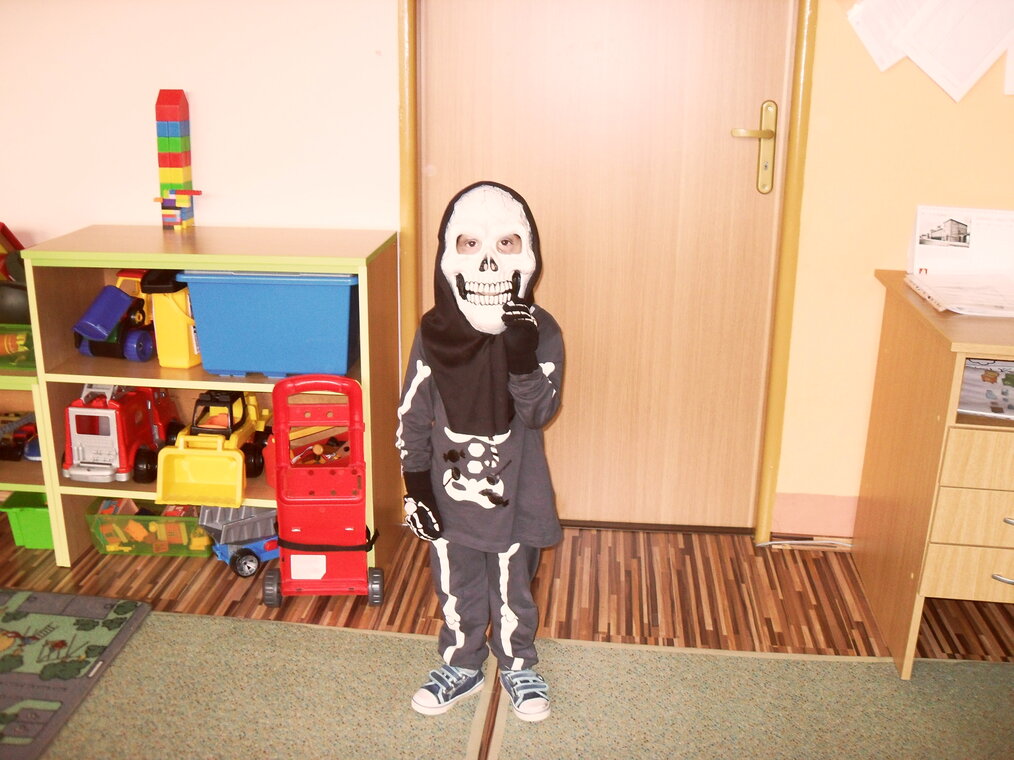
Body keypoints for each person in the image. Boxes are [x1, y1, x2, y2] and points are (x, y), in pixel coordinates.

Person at [396, 181, 564, 723]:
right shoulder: (434, 334)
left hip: (518, 495)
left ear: (528, 255)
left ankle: (517, 663)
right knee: (456, 585)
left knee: (514, 589)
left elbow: (539, 412)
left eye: (506, 244)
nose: (489, 263)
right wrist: (416, 487)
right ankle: (462, 663)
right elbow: (412, 412)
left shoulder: (540, 331)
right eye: (470, 244)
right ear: (447, 256)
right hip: (449, 498)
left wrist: (521, 357)